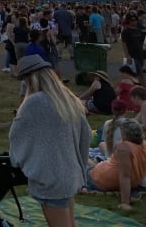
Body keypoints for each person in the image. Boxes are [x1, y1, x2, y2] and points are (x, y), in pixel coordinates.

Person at [9, 55, 90, 227]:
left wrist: (20, 162)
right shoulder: (70, 99)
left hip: (51, 178)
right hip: (70, 174)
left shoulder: (33, 103)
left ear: (29, 78)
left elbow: (16, 138)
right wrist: (81, 171)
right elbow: (86, 137)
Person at [85, 118, 146, 212]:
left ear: (125, 135)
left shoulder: (124, 148)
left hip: (99, 179)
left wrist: (125, 203)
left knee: (80, 161)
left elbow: (125, 176)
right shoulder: (145, 145)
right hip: (109, 172)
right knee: (92, 160)